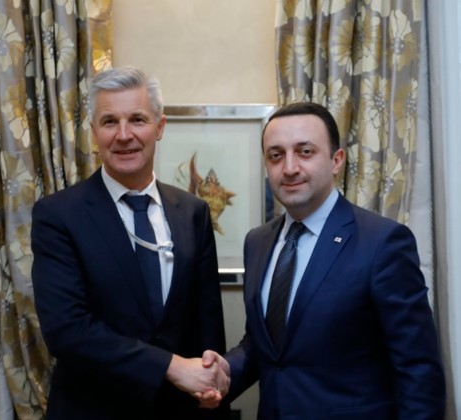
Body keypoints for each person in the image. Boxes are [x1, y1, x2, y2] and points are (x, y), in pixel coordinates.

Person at [201, 102, 446, 419]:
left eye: (305, 152)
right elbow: (267, 344)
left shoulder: (383, 243)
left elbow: (418, 372)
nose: (289, 167)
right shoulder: (257, 242)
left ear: (336, 160)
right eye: (276, 155)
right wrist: (225, 371)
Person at [31, 66, 230, 419]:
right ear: (94, 131)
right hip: (92, 410)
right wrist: (171, 367)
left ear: (160, 127)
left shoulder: (192, 212)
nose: (124, 135)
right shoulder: (58, 215)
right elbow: (67, 330)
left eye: (137, 119)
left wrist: (211, 382)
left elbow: (207, 322)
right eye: (110, 122)